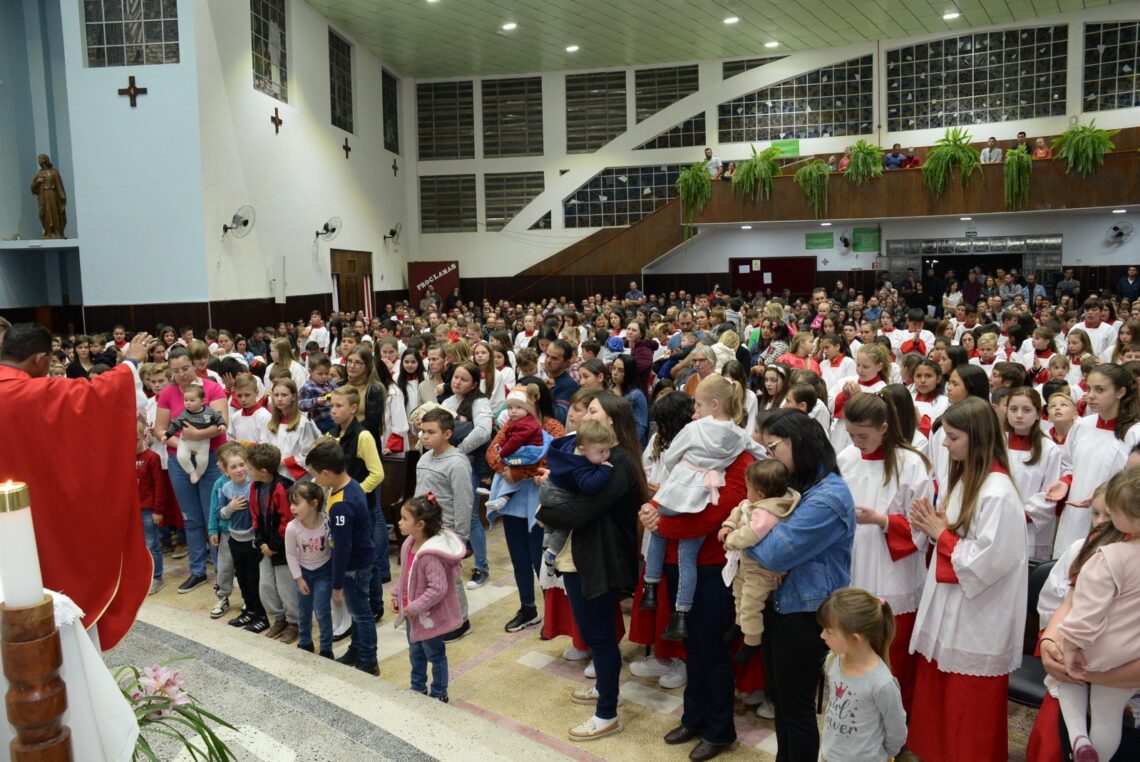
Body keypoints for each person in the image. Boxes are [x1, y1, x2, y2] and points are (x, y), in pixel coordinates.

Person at [908, 397, 1028, 762]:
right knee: (941, 706)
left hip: (978, 619)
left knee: (967, 715)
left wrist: (941, 534)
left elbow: (988, 563)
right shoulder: (967, 479)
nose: (945, 444)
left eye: (953, 437)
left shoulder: (998, 493)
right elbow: (958, 536)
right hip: (952, 613)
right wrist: (937, 525)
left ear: (976, 438)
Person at [537, 393, 644, 742]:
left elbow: (582, 512)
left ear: (610, 421)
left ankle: (607, 714)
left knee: (600, 638)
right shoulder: (596, 459)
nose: (580, 414)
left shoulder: (618, 463)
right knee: (595, 635)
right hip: (581, 556)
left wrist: (543, 512)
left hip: (601, 560)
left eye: (591, 410)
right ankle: (603, 689)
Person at [748, 409, 855, 761]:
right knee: (782, 702)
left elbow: (776, 554)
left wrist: (745, 534)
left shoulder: (828, 497)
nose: (770, 457)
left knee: (797, 710)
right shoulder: (803, 487)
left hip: (807, 614)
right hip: (784, 605)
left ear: (799, 443)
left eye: (773, 447)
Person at [640, 375, 759, 640]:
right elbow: (758, 450)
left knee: (660, 535)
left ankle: (650, 584)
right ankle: (681, 614)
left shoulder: (694, 430)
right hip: (707, 495)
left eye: (697, 406)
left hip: (683, 492)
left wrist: (657, 510)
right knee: (687, 556)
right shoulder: (739, 437)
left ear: (714, 404)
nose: (694, 413)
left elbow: (670, 457)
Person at [837, 391, 933, 715]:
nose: (856, 442)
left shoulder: (912, 464)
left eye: (863, 435)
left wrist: (881, 520)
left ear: (885, 427)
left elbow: (924, 527)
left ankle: (893, 726)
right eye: (851, 434)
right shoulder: (847, 458)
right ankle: (854, 719)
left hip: (894, 571)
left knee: (891, 655)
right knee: (852, 647)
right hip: (853, 565)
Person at [1053, 468, 1140, 761]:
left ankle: (1078, 738)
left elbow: (1087, 613)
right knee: (1108, 711)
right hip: (1132, 652)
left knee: (1065, 681)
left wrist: (1069, 646)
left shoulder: (1110, 556)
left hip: (1099, 646)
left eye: (1113, 510)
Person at [155, 345, 230, 594]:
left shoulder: (211, 387)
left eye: (185, 368)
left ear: (195, 365)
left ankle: (223, 572)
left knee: (214, 515)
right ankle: (197, 570)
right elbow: (160, 429)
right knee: (191, 518)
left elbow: (223, 423)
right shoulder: (167, 393)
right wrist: (184, 444)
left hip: (212, 457)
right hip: (182, 459)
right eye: (176, 371)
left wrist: (198, 435)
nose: (182, 374)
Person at [1046, 364, 1140, 556]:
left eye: (1100, 390)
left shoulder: (1134, 433)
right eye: (1089, 389)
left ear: (1121, 392)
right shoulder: (1082, 425)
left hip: (1111, 517)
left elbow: (1133, 482)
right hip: (1074, 512)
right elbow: (1069, 463)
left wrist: (1104, 495)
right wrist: (1066, 482)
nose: (1090, 396)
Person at [719, 459, 799, 664]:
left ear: (761, 494)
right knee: (738, 592)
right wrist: (728, 525)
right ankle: (739, 625)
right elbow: (739, 510)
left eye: (749, 488)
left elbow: (751, 534)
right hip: (747, 563)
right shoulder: (754, 504)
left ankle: (752, 642)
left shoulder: (768, 513)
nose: (746, 493)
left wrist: (731, 540)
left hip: (762, 569)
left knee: (750, 603)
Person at [308, 439, 377, 675]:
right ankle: (357, 649)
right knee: (359, 610)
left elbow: (342, 549)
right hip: (358, 560)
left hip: (353, 566)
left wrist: (337, 584)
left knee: (361, 613)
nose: (315, 480)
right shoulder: (351, 485)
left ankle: (368, 660)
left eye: (316, 475)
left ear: (326, 473)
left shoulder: (341, 505)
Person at [817, 588, 908, 762]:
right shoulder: (834, 661)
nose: (822, 636)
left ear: (855, 638)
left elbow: (897, 729)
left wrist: (886, 754)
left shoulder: (882, 683)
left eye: (829, 631)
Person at [392, 494, 465, 703]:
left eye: (405, 519)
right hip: (412, 614)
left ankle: (439, 692)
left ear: (420, 524)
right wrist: (397, 593)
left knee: (435, 655)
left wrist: (414, 607)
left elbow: (438, 589)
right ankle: (418, 687)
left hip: (427, 616)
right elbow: (405, 572)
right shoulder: (409, 543)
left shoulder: (430, 554)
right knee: (415, 652)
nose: (399, 522)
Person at [415, 407, 475, 641]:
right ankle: (441, 617)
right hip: (425, 530)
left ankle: (461, 620)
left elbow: (464, 501)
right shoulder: (424, 458)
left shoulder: (457, 463)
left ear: (448, 434)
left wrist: (460, 536)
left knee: (450, 578)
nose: (425, 437)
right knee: (433, 578)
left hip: (447, 530)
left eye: (431, 432)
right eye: (423, 432)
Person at [441, 361, 493, 591]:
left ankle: (481, 567)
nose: (457, 382)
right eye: (455, 377)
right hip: (447, 465)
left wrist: (457, 452)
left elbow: (483, 431)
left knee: (470, 515)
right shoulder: (448, 401)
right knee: (448, 514)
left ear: (473, 384)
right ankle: (454, 556)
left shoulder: (479, 401)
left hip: (468, 464)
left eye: (463, 379)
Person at [540, 418, 616, 565]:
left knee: (550, 518)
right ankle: (552, 552)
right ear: (582, 450)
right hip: (559, 495)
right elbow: (589, 486)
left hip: (547, 488)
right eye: (601, 451)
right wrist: (605, 470)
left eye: (608, 450)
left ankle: (546, 540)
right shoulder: (580, 465)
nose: (606, 455)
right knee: (566, 523)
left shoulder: (569, 448)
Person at [247, 443, 298, 645]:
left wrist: (274, 545)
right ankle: (279, 618)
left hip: (282, 548)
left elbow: (287, 521)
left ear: (263, 471)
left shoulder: (282, 487)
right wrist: (260, 541)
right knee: (266, 586)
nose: (248, 472)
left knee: (286, 588)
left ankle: (294, 622)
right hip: (264, 547)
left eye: (250, 468)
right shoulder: (255, 486)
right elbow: (255, 515)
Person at [1005, 388, 1063, 561]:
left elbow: (1050, 493)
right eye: (1013, 409)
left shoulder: (1049, 449)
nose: (1019, 415)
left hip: (1030, 525)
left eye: (1027, 410)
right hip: (998, 520)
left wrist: (1020, 515)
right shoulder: (997, 442)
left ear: (1038, 414)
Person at [211, 443, 264, 629]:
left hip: (252, 540)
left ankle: (260, 613)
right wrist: (230, 508)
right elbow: (220, 513)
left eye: (242, 464)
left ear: (248, 465)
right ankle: (249, 609)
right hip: (234, 539)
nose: (239, 469)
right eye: (233, 467)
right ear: (226, 471)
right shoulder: (225, 489)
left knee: (254, 577)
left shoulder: (255, 486)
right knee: (241, 576)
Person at [285, 481, 334, 659]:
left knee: (322, 610)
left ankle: (326, 647)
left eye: (296, 503)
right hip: (303, 573)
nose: (292, 508)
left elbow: (332, 546)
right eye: (291, 503)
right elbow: (290, 555)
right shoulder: (292, 528)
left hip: (324, 571)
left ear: (313, 504)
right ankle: (305, 641)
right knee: (304, 610)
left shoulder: (327, 520)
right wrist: (298, 578)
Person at [484, 386, 546, 512]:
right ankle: (500, 497)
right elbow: (507, 436)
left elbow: (515, 441)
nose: (513, 411)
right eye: (510, 408)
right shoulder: (516, 421)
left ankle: (502, 498)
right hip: (523, 450)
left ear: (527, 409)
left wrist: (501, 452)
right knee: (504, 470)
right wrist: (500, 445)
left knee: (511, 467)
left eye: (518, 407)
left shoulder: (527, 423)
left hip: (530, 453)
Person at [164, 386, 227, 485]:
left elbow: (218, 417)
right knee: (181, 457)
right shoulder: (184, 414)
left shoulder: (209, 412)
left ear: (202, 401)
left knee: (202, 461)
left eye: (192, 400)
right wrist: (167, 435)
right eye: (186, 400)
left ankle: (198, 473)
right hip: (186, 441)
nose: (188, 403)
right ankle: (191, 472)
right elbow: (175, 425)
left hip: (203, 442)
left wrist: (221, 425)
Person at [136, 419, 167, 595]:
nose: (133, 444)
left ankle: (157, 577)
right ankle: (142, 575)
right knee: (139, 544)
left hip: (148, 510)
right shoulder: (126, 458)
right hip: (133, 510)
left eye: (137, 440)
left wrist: (158, 510)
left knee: (152, 544)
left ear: (145, 436)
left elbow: (159, 486)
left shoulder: (152, 458)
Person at [30, 153, 66, 238]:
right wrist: (37, 182)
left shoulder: (54, 173)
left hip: (52, 195)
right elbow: (33, 188)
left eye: (40, 159)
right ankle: (47, 232)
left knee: (54, 213)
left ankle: (57, 232)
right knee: (42, 213)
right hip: (43, 196)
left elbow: (59, 186)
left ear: (45, 160)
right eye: (38, 159)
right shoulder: (39, 174)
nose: (38, 161)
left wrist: (62, 199)